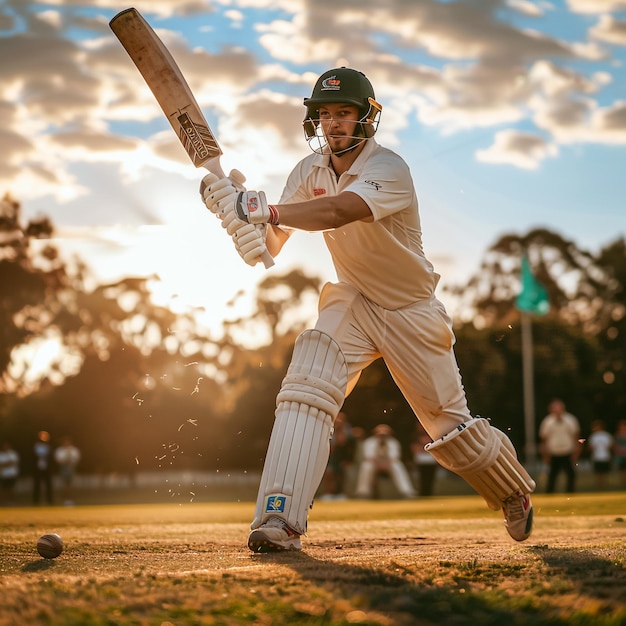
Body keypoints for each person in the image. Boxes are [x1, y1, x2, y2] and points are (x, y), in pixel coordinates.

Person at [200, 67, 535, 552]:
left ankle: (512, 490)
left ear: (366, 118)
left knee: (449, 427)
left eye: (343, 113)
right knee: (305, 385)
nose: (333, 123)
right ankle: (280, 520)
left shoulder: (389, 168)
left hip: (409, 308)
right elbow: (270, 244)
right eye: (325, 114)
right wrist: (232, 214)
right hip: (354, 300)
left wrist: (264, 210)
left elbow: (338, 211)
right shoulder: (306, 172)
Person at [355, 424, 416, 499]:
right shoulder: (369, 442)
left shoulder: (393, 442)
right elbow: (368, 457)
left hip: (389, 464)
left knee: (397, 466)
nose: (382, 437)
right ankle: (363, 493)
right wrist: (378, 464)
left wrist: (386, 464)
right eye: (380, 434)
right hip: (374, 464)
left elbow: (395, 457)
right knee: (367, 466)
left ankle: (406, 492)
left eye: (384, 435)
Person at [539, 399, 581, 493]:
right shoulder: (547, 421)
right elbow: (544, 440)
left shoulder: (570, 420)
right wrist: (545, 454)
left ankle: (570, 493)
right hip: (553, 453)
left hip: (568, 452)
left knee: (571, 475)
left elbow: (576, 437)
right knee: (552, 476)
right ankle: (550, 494)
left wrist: (576, 452)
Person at [319, 412, 356, 499]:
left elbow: (342, 443)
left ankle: (339, 493)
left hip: (340, 459)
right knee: (329, 473)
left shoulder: (347, 433)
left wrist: (339, 430)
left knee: (340, 474)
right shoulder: (325, 429)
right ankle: (328, 494)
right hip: (327, 457)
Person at [410, 423, 439, 497]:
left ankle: (429, 492)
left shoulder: (433, 435)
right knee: (422, 477)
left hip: (431, 459)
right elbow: (414, 448)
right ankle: (423, 492)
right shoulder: (415, 436)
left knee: (430, 477)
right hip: (421, 459)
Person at [587, 420, 613, 490]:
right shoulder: (593, 436)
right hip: (596, 457)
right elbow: (590, 447)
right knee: (597, 473)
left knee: (604, 473)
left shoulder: (606, 435)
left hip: (605, 457)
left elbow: (611, 446)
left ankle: (604, 487)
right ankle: (599, 487)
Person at [54, 436, 81, 505]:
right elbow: (58, 460)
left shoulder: (73, 450)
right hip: (63, 469)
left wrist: (71, 463)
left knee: (71, 484)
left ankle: (71, 499)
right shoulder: (59, 450)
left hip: (71, 468)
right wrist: (66, 461)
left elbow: (77, 459)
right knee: (65, 485)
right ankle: (65, 499)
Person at [33, 430, 53, 505]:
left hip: (47, 467)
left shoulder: (48, 446)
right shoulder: (37, 445)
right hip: (38, 467)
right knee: (37, 484)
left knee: (48, 484)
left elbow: (49, 456)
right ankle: (36, 501)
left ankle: (49, 500)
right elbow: (35, 455)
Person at [0, 441, 20, 506]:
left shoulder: (13, 454)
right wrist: (8, 463)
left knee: (11, 488)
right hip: (4, 474)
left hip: (12, 474)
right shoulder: (1, 454)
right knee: (3, 488)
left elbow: (13, 463)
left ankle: (11, 501)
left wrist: (4, 464)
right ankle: (4, 501)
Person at [614, 419, 626, 488]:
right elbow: (615, 445)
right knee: (621, 470)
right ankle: (623, 483)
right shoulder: (617, 435)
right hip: (620, 456)